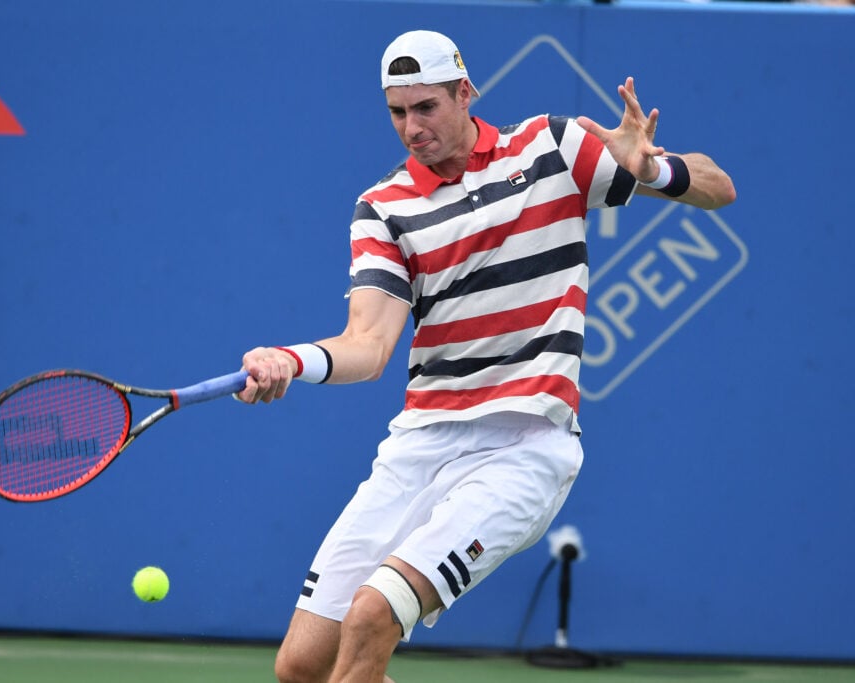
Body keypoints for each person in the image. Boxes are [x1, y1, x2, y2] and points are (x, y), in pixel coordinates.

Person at [236, 30, 736, 683]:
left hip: (523, 448)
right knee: (303, 665)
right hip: (419, 446)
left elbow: (719, 187)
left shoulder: (553, 147)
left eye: (426, 107)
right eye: (397, 112)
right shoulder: (383, 208)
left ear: (465, 93)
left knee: (369, 617)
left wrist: (652, 171)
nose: (411, 127)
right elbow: (368, 345)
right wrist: (291, 359)